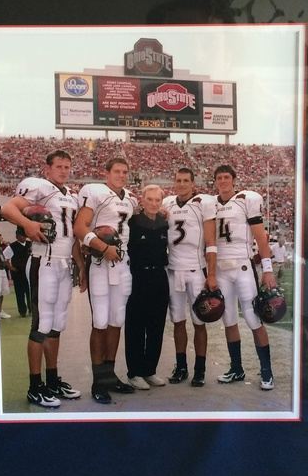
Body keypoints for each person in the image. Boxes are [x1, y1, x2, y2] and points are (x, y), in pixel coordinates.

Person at [0, 150, 84, 408]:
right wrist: (27, 224)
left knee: (57, 324)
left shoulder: (70, 195)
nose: (63, 170)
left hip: (64, 262)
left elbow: (71, 237)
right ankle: (34, 386)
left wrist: (80, 264)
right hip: (43, 261)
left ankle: (52, 380)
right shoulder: (40, 187)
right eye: (58, 166)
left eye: (67, 166)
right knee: (41, 324)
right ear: (47, 169)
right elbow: (7, 207)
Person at [73, 157, 138, 404]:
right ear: (107, 173)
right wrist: (101, 246)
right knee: (100, 322)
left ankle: (110, 375)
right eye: (117, 171)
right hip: (101, 263)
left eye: (125, 172)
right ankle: (98, 381)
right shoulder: (95, 192)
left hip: (122, 264)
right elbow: (80, 227)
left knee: (116, 320)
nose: (121, 175)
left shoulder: (130, 199)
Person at [212, 164, 279, 390]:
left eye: (226, 177)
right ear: (215, 181)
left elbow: (261, 237)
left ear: (233, 179)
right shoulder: (211, 203)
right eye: (219, 178)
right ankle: (236, 368)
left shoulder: (245, 199)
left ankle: (267, 371)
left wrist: (267, 269)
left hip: (242, 266)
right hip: (221, 269)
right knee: (229, 319)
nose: (223, 181)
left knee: (253, 318)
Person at [162, 168, 218, 387]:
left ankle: (200, 369)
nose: (182, 184)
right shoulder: (167, 203)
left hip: (196, 270)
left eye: (186, 181)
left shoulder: (202, 203)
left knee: (199, 322)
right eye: (178, 180)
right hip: (173, 269)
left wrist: (211, 274)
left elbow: (211, 242)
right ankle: (181, 366)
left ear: (193, 183)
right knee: (178, 321)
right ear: (174, 182)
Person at [123, 185, 170, 390]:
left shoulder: (164, 223)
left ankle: (150, 370)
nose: (153, 203)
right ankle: (134, 372)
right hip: (138, 276)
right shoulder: (132, 222)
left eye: (157, 200)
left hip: (159, 276)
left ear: (161, 201)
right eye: (149, 199)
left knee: (156, 326)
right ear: (142, 200)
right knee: (135, 326)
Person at [9, 232, 31, 317]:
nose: (24, 237)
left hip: (28, 272)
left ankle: (31, 309)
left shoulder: (30, 244)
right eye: (22, 235)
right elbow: (5, 258)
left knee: (30, 292)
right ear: (17, 236)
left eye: (25, 235)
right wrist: (11, 268)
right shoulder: (12, 246)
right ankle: (22, 311)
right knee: (20, 293)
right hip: (18, 273)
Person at [0, 233, 13, 320]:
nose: (2, 237)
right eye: (0, 236)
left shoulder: (1, 248)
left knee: (3, 292)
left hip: (2, 270)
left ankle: (0, 310)